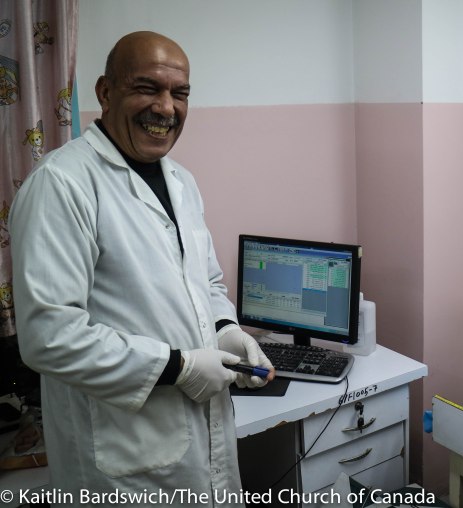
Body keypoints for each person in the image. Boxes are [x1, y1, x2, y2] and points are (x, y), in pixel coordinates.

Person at [9, 31, 274, 506]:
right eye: (147, 88)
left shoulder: (182, 182)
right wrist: (178, 367)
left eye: (180, 93)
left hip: (202, 442)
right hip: (121, 462)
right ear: (105, 92)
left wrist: (226, 330)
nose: (166, 108)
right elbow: (49, 336)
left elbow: (206, 282)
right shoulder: (61, 184)